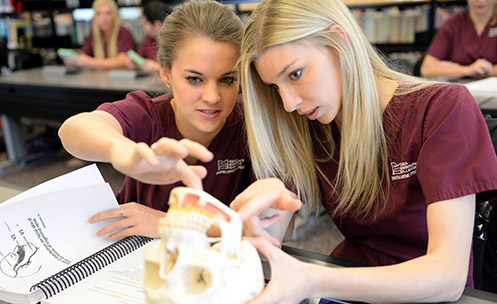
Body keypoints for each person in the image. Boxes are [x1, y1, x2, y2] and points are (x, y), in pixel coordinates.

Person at [231, 0, 497, 303]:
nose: (288, 102)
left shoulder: (441, 109)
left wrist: (311, 280)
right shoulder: (311, 123)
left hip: (423, 292)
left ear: (339, 43)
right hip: (346, 278)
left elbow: (447, 276)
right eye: (274, 87)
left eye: (294, 74)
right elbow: (279, 229)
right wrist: (265, 214)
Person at [58, 0, 251, 240]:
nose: (212, 97)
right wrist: (122, 152)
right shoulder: (148, 115)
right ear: (166, 72)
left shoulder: (252, 125)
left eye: (227, 80)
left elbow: (268, 230)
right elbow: (73, 130)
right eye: (194, 79)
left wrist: (169, 223)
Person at [420, 0, 497, 79]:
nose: (480, 1)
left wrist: (488, 71)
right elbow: (426, 69)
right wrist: (467, 70)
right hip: (461, 85)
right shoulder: (454, 23)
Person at [64, 0, 136, 69]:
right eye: (98, 14)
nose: (103, 18)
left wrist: (88, 62)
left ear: (115, 15)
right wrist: (74, 60)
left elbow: (122, 61)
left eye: (107, 13)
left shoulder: (123, 32)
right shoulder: (94, 33)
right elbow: (84, 56)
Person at [124, 0, 171, 73]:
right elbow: (141, 58)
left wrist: (155, 67)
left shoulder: (175, 42)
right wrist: (134, 64)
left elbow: (178, 69)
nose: (143, 28)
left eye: (145, 24)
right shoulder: (149, 38)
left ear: (157, 25)